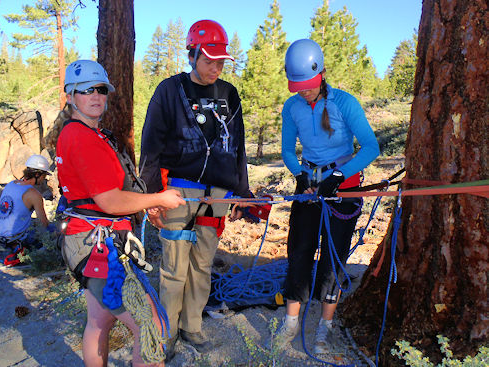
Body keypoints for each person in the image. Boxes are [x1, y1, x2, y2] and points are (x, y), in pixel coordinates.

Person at [55, 59, 186, 367]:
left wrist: (145, 200)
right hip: (98, 244)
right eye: (86, 90)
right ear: (70, 96)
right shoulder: (82, 137)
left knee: (100, 320)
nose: (96, 96)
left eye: (100, 89)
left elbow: (108, 195)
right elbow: (109, 202)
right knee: (151, 325)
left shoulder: (88, 134)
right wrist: (159, 198)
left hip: (89, 240)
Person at [140, 19, 253, 360]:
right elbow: (151, 145)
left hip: (216, 196)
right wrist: (153, 197)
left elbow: (238, 147)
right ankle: (166, 332)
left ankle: (192, 326)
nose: (215, 67)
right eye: (209, 59)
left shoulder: (229, 94)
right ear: (192, 55)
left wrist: (241, 194)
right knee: (174, 268)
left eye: (220, 61)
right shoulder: (170, 90)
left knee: (202, 266)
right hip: (178, 192)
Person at [275, 39, 380, 355]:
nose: (303, 91)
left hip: (343, 185)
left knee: (334, 256)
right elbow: (286, 150)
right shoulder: (292, 107)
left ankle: (325, 326)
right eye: (298, 86)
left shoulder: (345, 104)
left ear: (320, 73)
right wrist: (300, 174)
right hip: (308, 182)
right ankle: (291, 323)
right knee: (300, 247)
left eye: (307, 85)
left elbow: (371, 147)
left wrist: (340, 176)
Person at [0, 154, 55, 265]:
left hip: (0, 236)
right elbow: (44, 224)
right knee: (54, 229)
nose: (44, 179)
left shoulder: (10, 184)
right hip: (14, 240)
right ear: (38, 174)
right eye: (44, 176)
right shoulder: (34, 194)